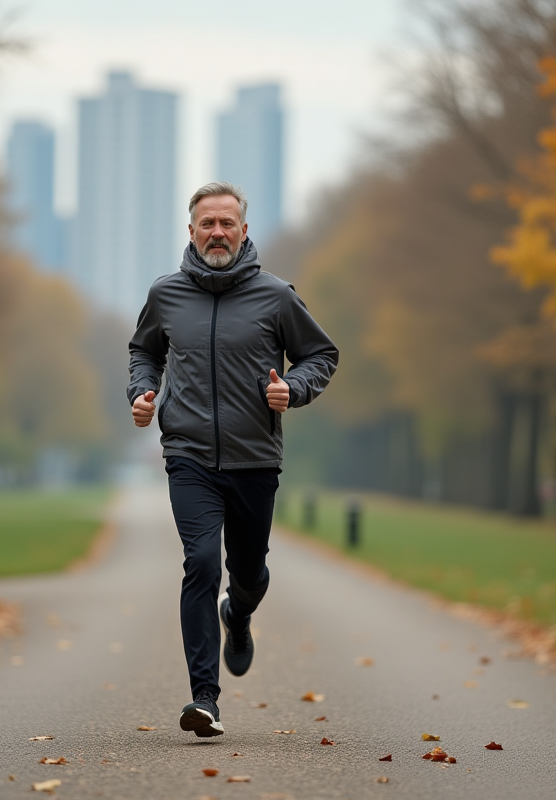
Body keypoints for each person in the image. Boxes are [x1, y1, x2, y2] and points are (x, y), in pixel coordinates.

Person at [127, 182, 339, 737]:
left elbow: (321, 354)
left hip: (254, 458)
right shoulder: (166, 294)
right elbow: (144, 350)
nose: (217, 232)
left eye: (227, 223)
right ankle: (205, 699)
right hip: (189, 455)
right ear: (191, 231)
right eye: (207, 223)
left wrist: (293, 388)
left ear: (244, 230)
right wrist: (142, 392)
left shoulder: (276, 296)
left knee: (247, 572)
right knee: (200, 562)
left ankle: (237, 613)